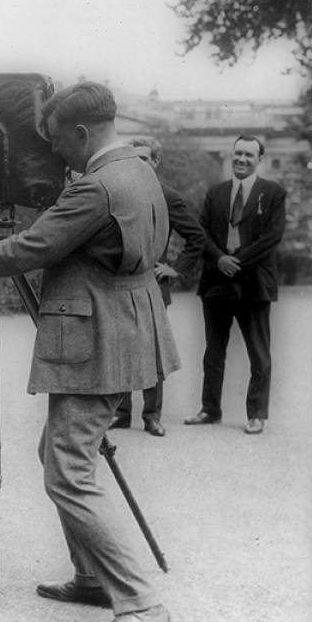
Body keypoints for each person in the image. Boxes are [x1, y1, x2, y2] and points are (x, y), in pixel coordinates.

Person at [0, 81, 176, 622]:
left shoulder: (94, 188)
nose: (56, 152)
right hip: (127, 328)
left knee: (66, 472)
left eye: (60, 140)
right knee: (60, 451)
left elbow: (28, 250)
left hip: (96, 338)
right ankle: (92, 578)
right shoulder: (138, 169)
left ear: (84, 132)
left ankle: (139, 604)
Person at [184, 135, 286, 435]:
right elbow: (200, 232)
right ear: (231, 156)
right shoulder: (215, 193)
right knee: (213, 351)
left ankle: (256, 414)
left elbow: (271, 238)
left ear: (259, 160)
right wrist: (219, 260)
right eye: (238, 153)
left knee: (259, 352)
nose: (242, 159)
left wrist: (235, 261)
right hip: (217, 281)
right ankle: (209, 410)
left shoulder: (273, 193)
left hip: (254, 283)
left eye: (249, 155)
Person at [108, 136, 206, 437]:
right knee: (121, 349)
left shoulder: (167, 195)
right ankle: (121, 414)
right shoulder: (116, 193)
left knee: (152, 353)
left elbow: (196, 238)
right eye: (133, 158)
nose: (139, 164)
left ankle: (152, 415)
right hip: (120, 287)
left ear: (155, 162)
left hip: (153, 285)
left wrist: (174, 269)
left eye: (145, 158)